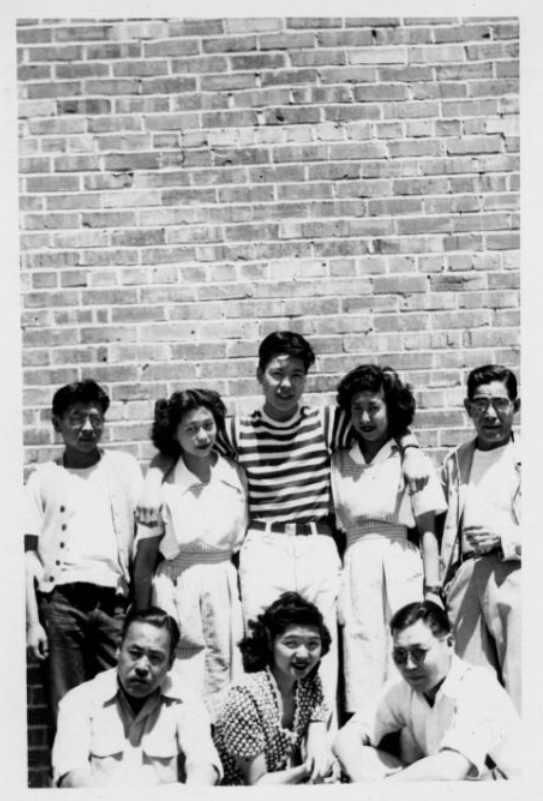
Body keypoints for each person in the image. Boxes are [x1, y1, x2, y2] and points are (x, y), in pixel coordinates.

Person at [138, 331, 430, 713]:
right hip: (264, 546)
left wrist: (410, 448)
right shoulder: (236, 429)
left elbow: (384, 419)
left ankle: (320, 749)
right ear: (260, 375)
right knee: (264, 645)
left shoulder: (327, 422)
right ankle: (270, 746)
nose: (286, 383)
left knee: (319, 647)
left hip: (317, 545)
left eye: (297, 374)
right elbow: (178, 442)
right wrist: (151, 481)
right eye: (277, 373)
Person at [24, 379, 143, 728]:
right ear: (57, 422)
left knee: (121, 700)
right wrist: (33, 623)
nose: (87, 427)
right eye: (76, 417)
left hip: (115, 606)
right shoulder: (42, 478)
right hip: (61, 605)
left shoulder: (123, 468)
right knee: (66, 705)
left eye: (95, 418)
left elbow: (146, 536)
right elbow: (25, 557)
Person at [331, 365, 447, 717]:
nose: (365, 417)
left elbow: (428, 531)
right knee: (361, 655)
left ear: (391, 409)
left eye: (374, 408)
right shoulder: (337, 461)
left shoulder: (411, 460)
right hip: (355, 568)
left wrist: (432, 589)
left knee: (405, 651)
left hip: (400, 564)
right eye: (357, 409)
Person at [132, 388, 247, 720]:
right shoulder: (161, 485)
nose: (202, 436)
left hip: (224, 587)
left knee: (227, 671)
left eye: (208, 425)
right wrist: (143, 618)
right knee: (183, 676)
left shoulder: (234, 473)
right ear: (174, 435)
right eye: (190, 429)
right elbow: (145, 559)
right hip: (177, 587)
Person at [333, 601, 521, 781]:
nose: (409, 665)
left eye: (419, 652)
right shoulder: (401, 687)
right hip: (453, 788)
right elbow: (347, 735)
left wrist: (381, 790)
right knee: (362, 756)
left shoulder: (477, 685)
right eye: (399, 655)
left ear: (449, 644)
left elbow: (451, 769)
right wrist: (358, 774)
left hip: (506, 789)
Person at [52, 606, 221, 787]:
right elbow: (72, 773)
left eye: (155, 657)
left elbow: (204, 765)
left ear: (171, 662)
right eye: (135, 653)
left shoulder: (188, 703)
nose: (142, 666)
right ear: (118, 650)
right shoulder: (79, 702)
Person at [439, 364, 521, 713]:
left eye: (500, 403)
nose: (490, 413)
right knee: (472, 683)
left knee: (522, 677)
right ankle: (482, 764)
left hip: (516, 575)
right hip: (466, 580)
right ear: (467, 408)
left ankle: (527, 763)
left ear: (515, 406)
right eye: (480, 404)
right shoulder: (454, 462)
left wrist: (504, 539)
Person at [213, 592, 338, 785]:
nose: (303, 654)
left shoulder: (310, 684)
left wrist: (323, 768)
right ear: (270, 642)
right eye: (291, 643)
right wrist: (307, 770)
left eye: (313, 644)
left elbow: (317, 748)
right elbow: (257, 783)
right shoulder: (245, 696)